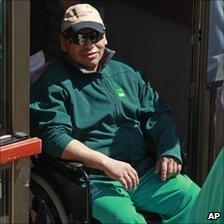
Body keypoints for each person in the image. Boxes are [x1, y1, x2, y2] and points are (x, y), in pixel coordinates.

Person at [30, 4, 200, 224]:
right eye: (78, 38)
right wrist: (106, 163)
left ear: (105, 37)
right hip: (95, 179)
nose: (89, 44)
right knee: (128, 220)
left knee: (201, 204)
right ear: (63, 43)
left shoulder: (125, 70)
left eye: (94, 35)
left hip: (142, 170)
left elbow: (157, 113)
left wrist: (169, 149)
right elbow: (54, 137)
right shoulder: (52, 85)